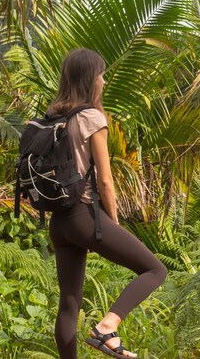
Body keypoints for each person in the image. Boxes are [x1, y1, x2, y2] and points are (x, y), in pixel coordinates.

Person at [47, 48, 167, 358]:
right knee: (155, 270)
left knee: (69, 303)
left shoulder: (53, 116)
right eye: (101, 74)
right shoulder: (92, 117)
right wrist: (112, 225)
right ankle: (106, 328)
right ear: (91, 80)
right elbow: (105, 180)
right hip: (85, 216)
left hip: (59, 222)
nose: (104, 80)